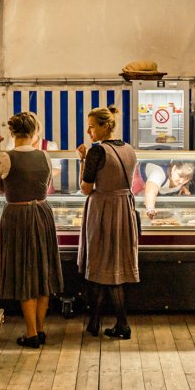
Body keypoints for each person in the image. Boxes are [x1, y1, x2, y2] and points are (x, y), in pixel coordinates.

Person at [0, 112, 64, 347]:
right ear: (35, 132)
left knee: (24, 271)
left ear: (12, 132)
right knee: (42, 272)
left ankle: (31, 333)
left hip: (17, 215)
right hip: (42, 213)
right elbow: (47, 184)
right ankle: (39, 329)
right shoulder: (45, 156)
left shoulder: (5, 157)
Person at [77, 106, 139, 340]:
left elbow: (86, 188)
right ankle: (95, 321)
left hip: (103, 210)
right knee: (112, 265)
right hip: (124, 209)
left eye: (91, 127)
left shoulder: (97, 152)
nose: (88, 131)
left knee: (100, 264)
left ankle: (122, 324)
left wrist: (82, 161)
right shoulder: (129, 149)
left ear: (105, 127)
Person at [3, 112, 60, 194]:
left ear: (36, 130)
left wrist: (35, 176)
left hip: (44, 193)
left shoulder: (50, 146)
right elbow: (6, 163)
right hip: (19, 193)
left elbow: (57, 169)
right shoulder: (12, 144)